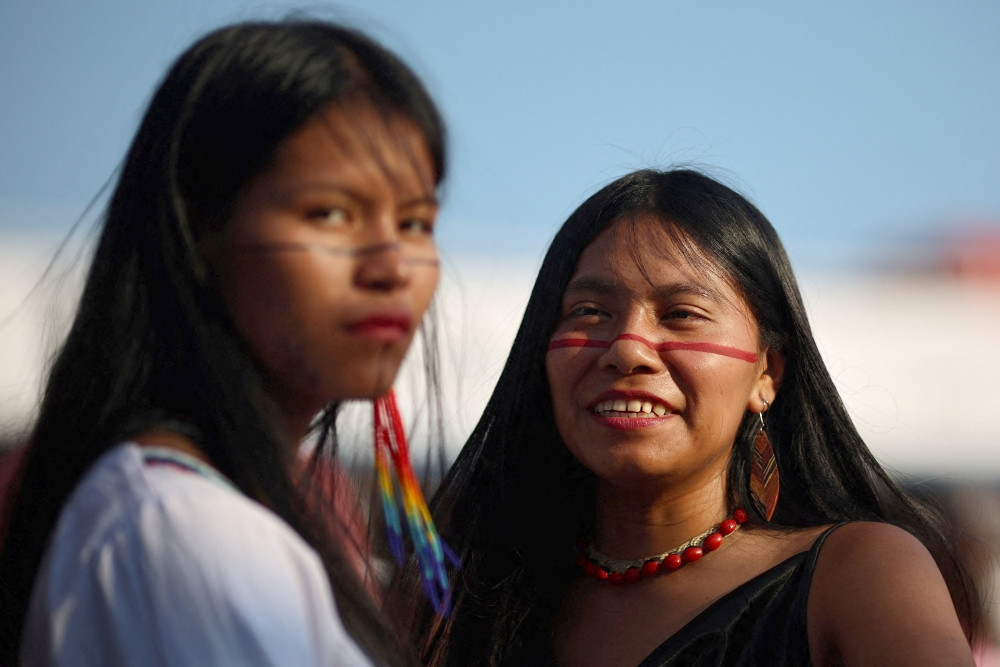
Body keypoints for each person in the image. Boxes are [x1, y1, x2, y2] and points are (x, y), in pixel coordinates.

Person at [0, 17, 449, 666]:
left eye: (415, 222)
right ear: (199, 229)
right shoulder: (181, 528)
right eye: (330, 212)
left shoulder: (190, 512)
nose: (392, 263)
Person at [401, 169, 982, 665]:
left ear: (766, 375)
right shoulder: (467, 605)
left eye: (682, 314)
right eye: (588, 311)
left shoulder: (857, 573)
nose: (627, 349)